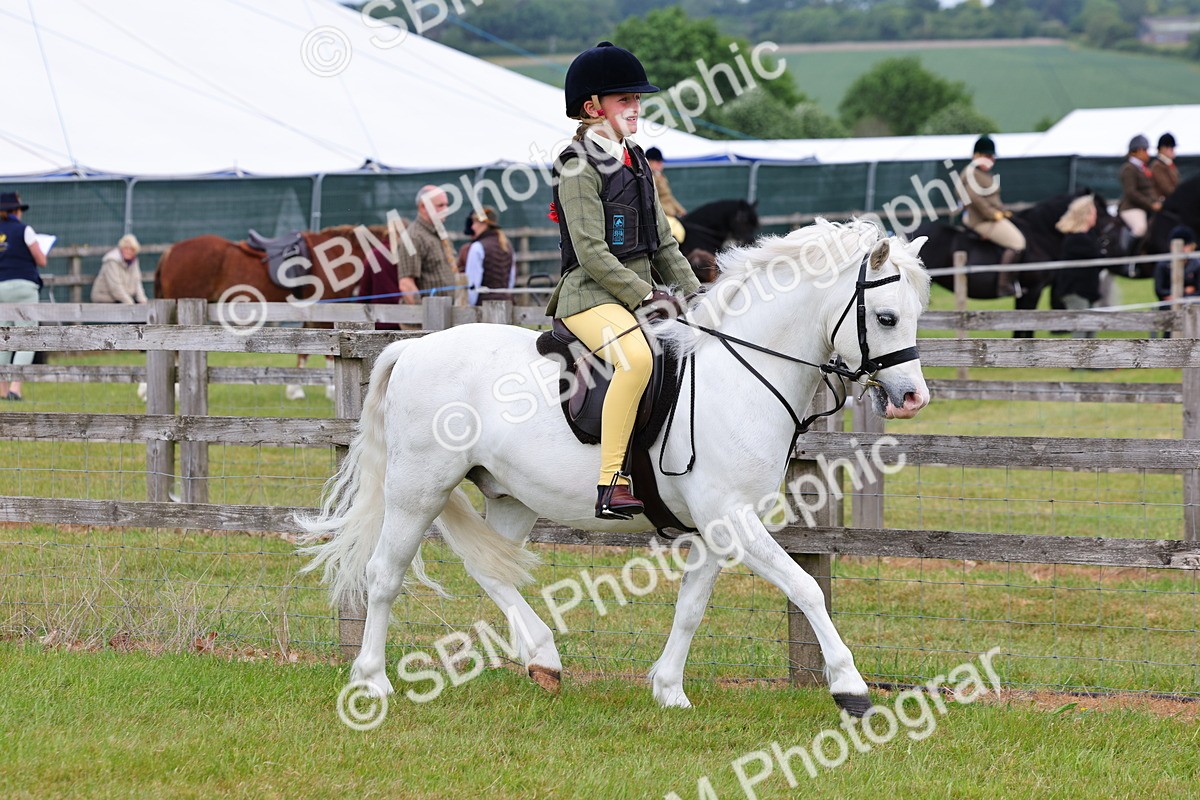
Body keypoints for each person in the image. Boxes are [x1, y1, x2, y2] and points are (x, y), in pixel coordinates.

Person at [546, 41, 701, 520]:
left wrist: (698, 297)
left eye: (637, 100)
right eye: (625, 100)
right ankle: (611, 481)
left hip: (632, 295)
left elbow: (663, 243)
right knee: (636, 359)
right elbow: (591, 252)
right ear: (593, 107)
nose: (636, 108)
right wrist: (647, 295)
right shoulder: (576, 164)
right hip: (588, 296)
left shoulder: (635, 158)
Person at [960, 135, 1025, 295]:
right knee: (1018, 243)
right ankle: (1004, 285)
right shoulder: (971, 173)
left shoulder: (982, 173)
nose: (992, 159)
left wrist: (1002, 211)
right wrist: (993, 215)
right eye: (988, 156)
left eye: (992, 156)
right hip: (981, 220)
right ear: (976, 156)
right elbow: (974, 199)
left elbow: (991, 199)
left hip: (989, 216)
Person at [0, 191, 48, 401]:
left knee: (3, 337)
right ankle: (15, 388)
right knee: (27, 336)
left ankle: (2, 390)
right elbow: (41, 260)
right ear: (16, 211)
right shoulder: (24, 230)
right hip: (24, 288)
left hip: (0, 287)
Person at [396, 185, 462, 306]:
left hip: (446, 311)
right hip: (429, 315)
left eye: (447, 205)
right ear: (423, 207)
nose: (446, 209)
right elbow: (406, 285)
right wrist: (424, 313)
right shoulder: (413, 237)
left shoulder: (440, 234)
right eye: (440, 205)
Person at [1053, 195, 1104, 338]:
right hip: (1076, 292)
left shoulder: (1088, 236)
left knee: (1090, 333)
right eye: (1093, 213)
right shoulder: (1077, 239)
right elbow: (1099, 258)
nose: (1095, 216)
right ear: (1086, 215)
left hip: (1088, 291)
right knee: (1080, 332)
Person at [461, 206, 516, 306]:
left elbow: (472, 287)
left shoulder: (477, 247)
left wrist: (469, 309)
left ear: (483, 223)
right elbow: (510, 283)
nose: (472, 227)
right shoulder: (507, 246)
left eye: (474, 223)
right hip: (506, 305)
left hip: (484, 308)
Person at [1118, 134, 1161, 238]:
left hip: (1145, 207)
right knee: (1140, 228)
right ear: (1136, 152)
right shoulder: (1129, 169)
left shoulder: (1143, 169)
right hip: (1132, 208)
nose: (1147, 154)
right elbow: (1131, 192)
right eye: (1144, 150)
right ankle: (1127, 248)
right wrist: (1151, 204)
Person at [91, 234, 147, 304]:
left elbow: (137, 282)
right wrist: (131, 304)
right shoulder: (111, 261)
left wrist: (143, 301)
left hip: (121, 299)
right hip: (105, 298)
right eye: (126, 248)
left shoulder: (134, 262)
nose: (128, 251)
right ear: (121, 249)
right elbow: (115, 287)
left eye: (131, 249)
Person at [1153, 225, 1200, 306]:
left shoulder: (1197, 265)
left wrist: (1183, 298)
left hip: (1192, 304)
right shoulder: (1162, 265)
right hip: (1168, 304)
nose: (1182, 249)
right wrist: (1184, 291)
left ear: (1192, 246)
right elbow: (1159, 290)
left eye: (1186, 245)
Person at [644, 147, 686, 218]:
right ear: (650, 162)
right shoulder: (649, 178)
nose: (661, 164)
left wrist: (682, 211)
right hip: (662, 216)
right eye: (657, 162)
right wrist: (672, 214)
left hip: (671, 213)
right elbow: (654, 202)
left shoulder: (661, 176)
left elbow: (669, 197)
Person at [1151, 133, 1179, 202]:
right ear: (1162, 149)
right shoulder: (1157, 166)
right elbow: (1167, 188)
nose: (1173, 151)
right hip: (1163, 202)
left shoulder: (1169, 164)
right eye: (1171, 148)